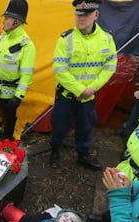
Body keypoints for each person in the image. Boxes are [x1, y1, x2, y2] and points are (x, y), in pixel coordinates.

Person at [49, 0, 117, 170]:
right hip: (66, 96)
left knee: (86, 127)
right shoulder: (66, 39)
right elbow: (60, 69)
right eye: (78, 14)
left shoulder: (107, 39)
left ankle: (83, 155)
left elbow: (109, 67)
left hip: (89, 96)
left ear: (96, 15)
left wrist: (93, 87)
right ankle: (55, 151)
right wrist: (80, 89)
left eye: (86, 14)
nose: (81, 18)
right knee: (59, 126)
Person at [88, 111, 139, 222]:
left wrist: (120, 197)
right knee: (117, 197)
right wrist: (133, 188)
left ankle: (111, 219)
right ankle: (109, 217)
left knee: (120, 201)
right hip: (132, 167)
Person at [0, 0, 36, 143]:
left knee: (9, 119)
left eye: (7, 18)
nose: (4, 20)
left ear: (16, 22)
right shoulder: (3, 36)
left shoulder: (27, 46)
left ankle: (7, 141)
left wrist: (18, 97)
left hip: (10, 93)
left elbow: (27, 75)